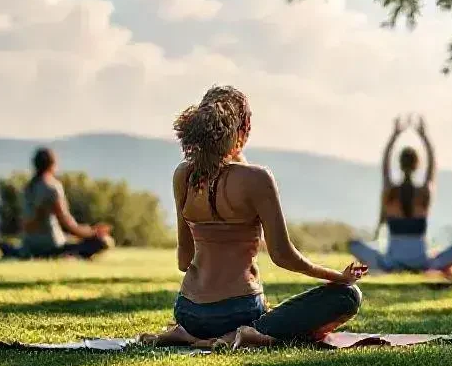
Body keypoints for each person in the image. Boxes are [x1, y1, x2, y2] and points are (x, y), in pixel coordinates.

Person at [148, 85, 367, 350]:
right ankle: (248, 333)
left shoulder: (184, 175)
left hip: (188, 311)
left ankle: (189, 334)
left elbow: (184, 261)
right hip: (237, 312)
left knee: (257, 308)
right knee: (347, 296)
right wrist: (337, 277)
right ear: (245, 128)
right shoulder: (257, 179)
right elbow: (283, 256)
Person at [347, 116, 452, 273]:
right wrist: (424, 136)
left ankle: (388, 268)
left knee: (353, 244)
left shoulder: (390, 193)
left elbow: (385, 165)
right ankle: (430, 266)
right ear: (417, 165)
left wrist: (394, 135)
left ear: (399, 164)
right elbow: (432, 166)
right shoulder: (424, 193)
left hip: (391, 264)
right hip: (422, 264)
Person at [0, 148, 113, 260]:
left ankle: (17, 253)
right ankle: (68, 256)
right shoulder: (52, 187)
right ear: (52, 165)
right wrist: (92, 233)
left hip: (28, 245)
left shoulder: (28, 188)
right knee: (105, 241)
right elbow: (67, 223)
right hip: (52, 246)